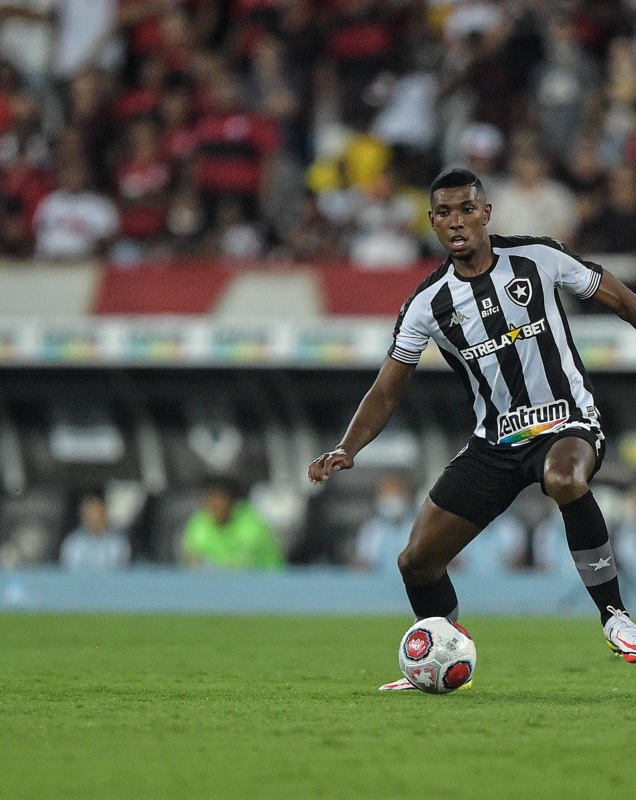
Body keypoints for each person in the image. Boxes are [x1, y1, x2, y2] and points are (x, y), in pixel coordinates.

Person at [308, 166, 636, 691]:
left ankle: (615, 616)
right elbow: (387, 389)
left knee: (565, 477)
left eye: (466, 209)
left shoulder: (539, 257)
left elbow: (622, 300)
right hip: (495, 443)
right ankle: (442, 657)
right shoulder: (426, 305)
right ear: (432, 223)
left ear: (486, 213)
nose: (456, 221)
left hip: (566, 420)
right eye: (444, 213)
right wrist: (347, 447)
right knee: (417, 561)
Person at [182, 479, 284, 570]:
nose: (216, 505)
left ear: (233, 502)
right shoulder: (198, 525)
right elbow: (192, 564)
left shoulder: (252, 529)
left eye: (221, 499)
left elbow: (246, 568)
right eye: (212, 499)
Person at [59, 493, 131, 569]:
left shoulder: (119, 542)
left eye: (96, 513)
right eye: (89, 515)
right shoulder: (73, 543)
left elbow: (122, 572)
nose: (93, 519)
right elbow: (69, 573)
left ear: (104, 513)